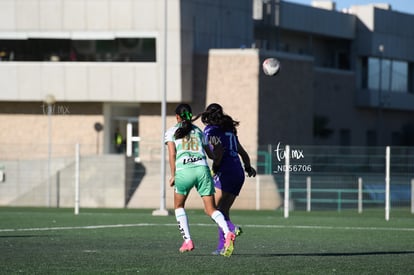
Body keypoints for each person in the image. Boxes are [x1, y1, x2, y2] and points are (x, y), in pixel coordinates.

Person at [164, 103, 236, 257]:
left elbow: (172, 155)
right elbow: (211, 154)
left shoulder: (171, 131)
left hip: (184, 172)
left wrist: (173, 175)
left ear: (177, 117)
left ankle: (188, 240)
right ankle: (228, 232)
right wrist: (219, 153)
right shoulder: (199, 131)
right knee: (211, 209)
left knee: (178, 206)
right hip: (203, 170)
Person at [197, 103, 256, 255]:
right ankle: (222, 246)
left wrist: (214, 169)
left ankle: (232, 229)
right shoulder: (229, 130)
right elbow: (243, 153)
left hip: (226, 171)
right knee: (222, 212)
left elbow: (219, 151)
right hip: (238, 172)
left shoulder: (211, 130)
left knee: (210, 209)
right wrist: (248, 168)